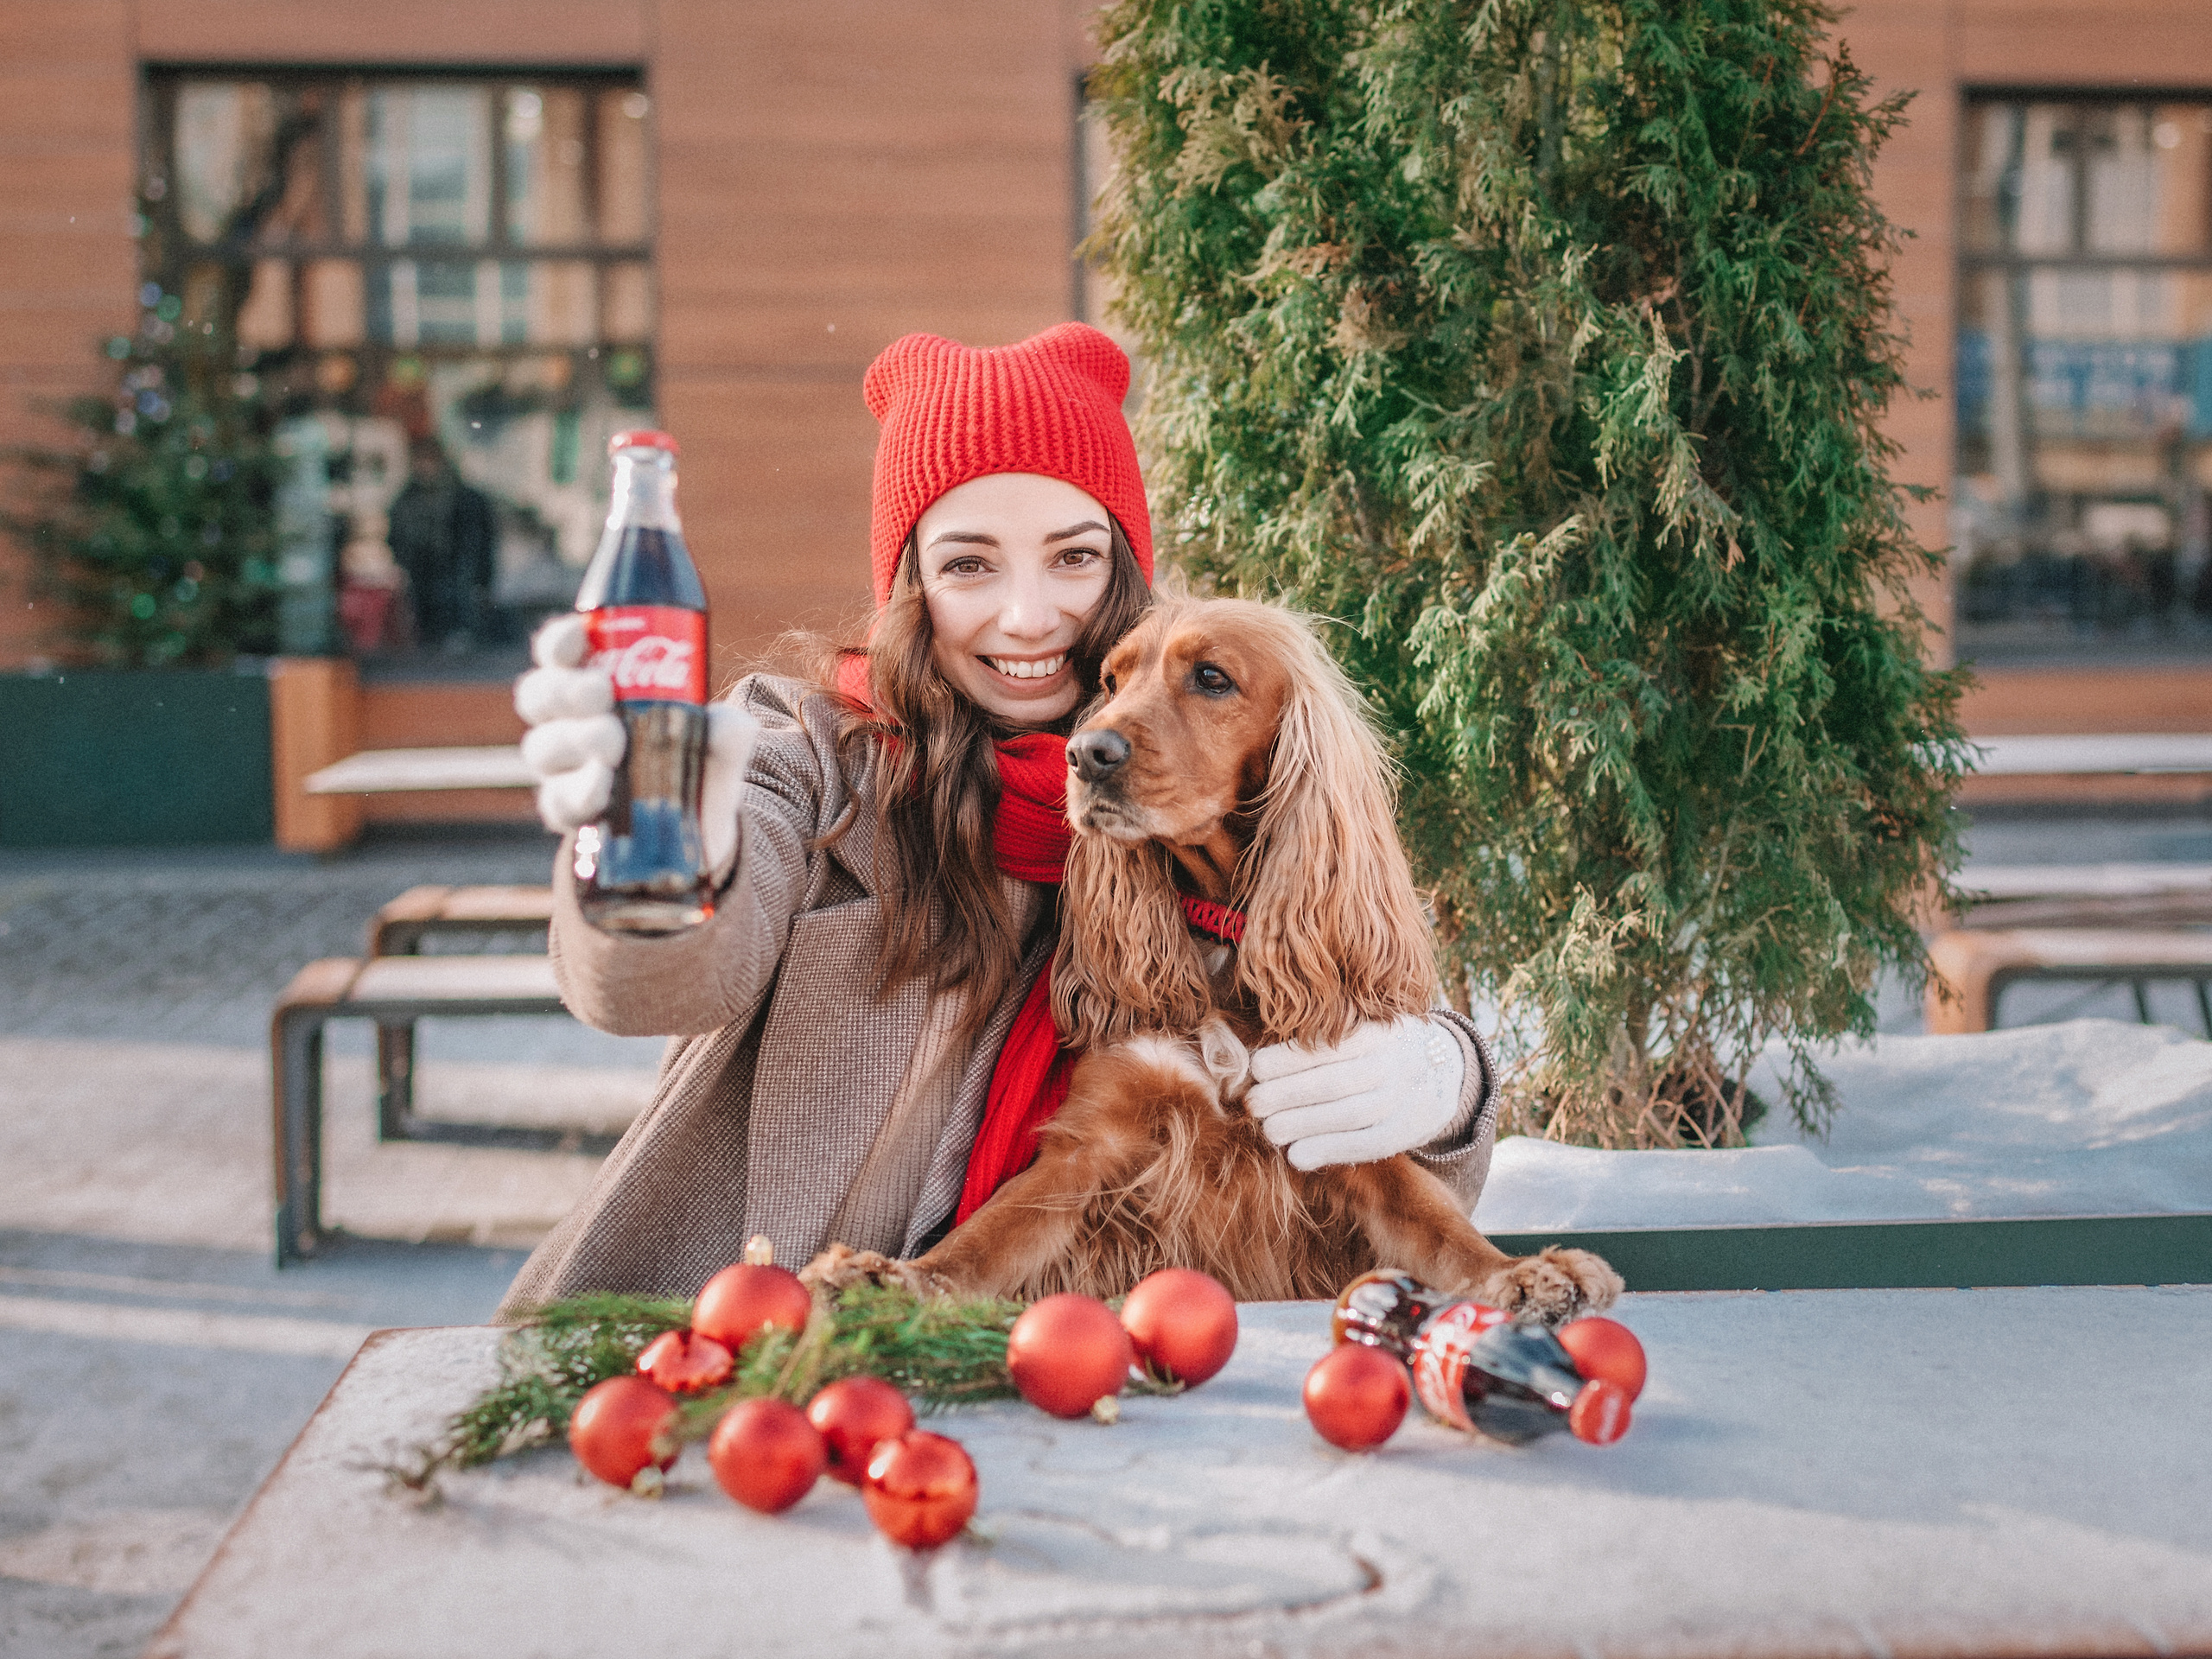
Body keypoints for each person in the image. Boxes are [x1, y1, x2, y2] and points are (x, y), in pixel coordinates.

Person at [501, 323, 1497, 1310]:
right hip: (728, 1343)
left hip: (1047, 1388)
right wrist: (655, 836)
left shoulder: (1205, 774)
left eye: (1071, 558)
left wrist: (1444, 1079)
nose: (1026, 618)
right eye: (970, 566)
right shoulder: (801, 755)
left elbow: (1367, 1124)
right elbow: (650, 986)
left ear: (1122, 572)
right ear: (911, 586)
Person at [387, 435, 497, 651]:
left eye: (431, 460)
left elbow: (481, 543)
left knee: (460, 631)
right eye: (422, 461)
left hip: (459, 577)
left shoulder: (468, 499)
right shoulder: (406, 499)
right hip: (421, 576)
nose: (427, 467)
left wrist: (482, 579)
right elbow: (397, 537)